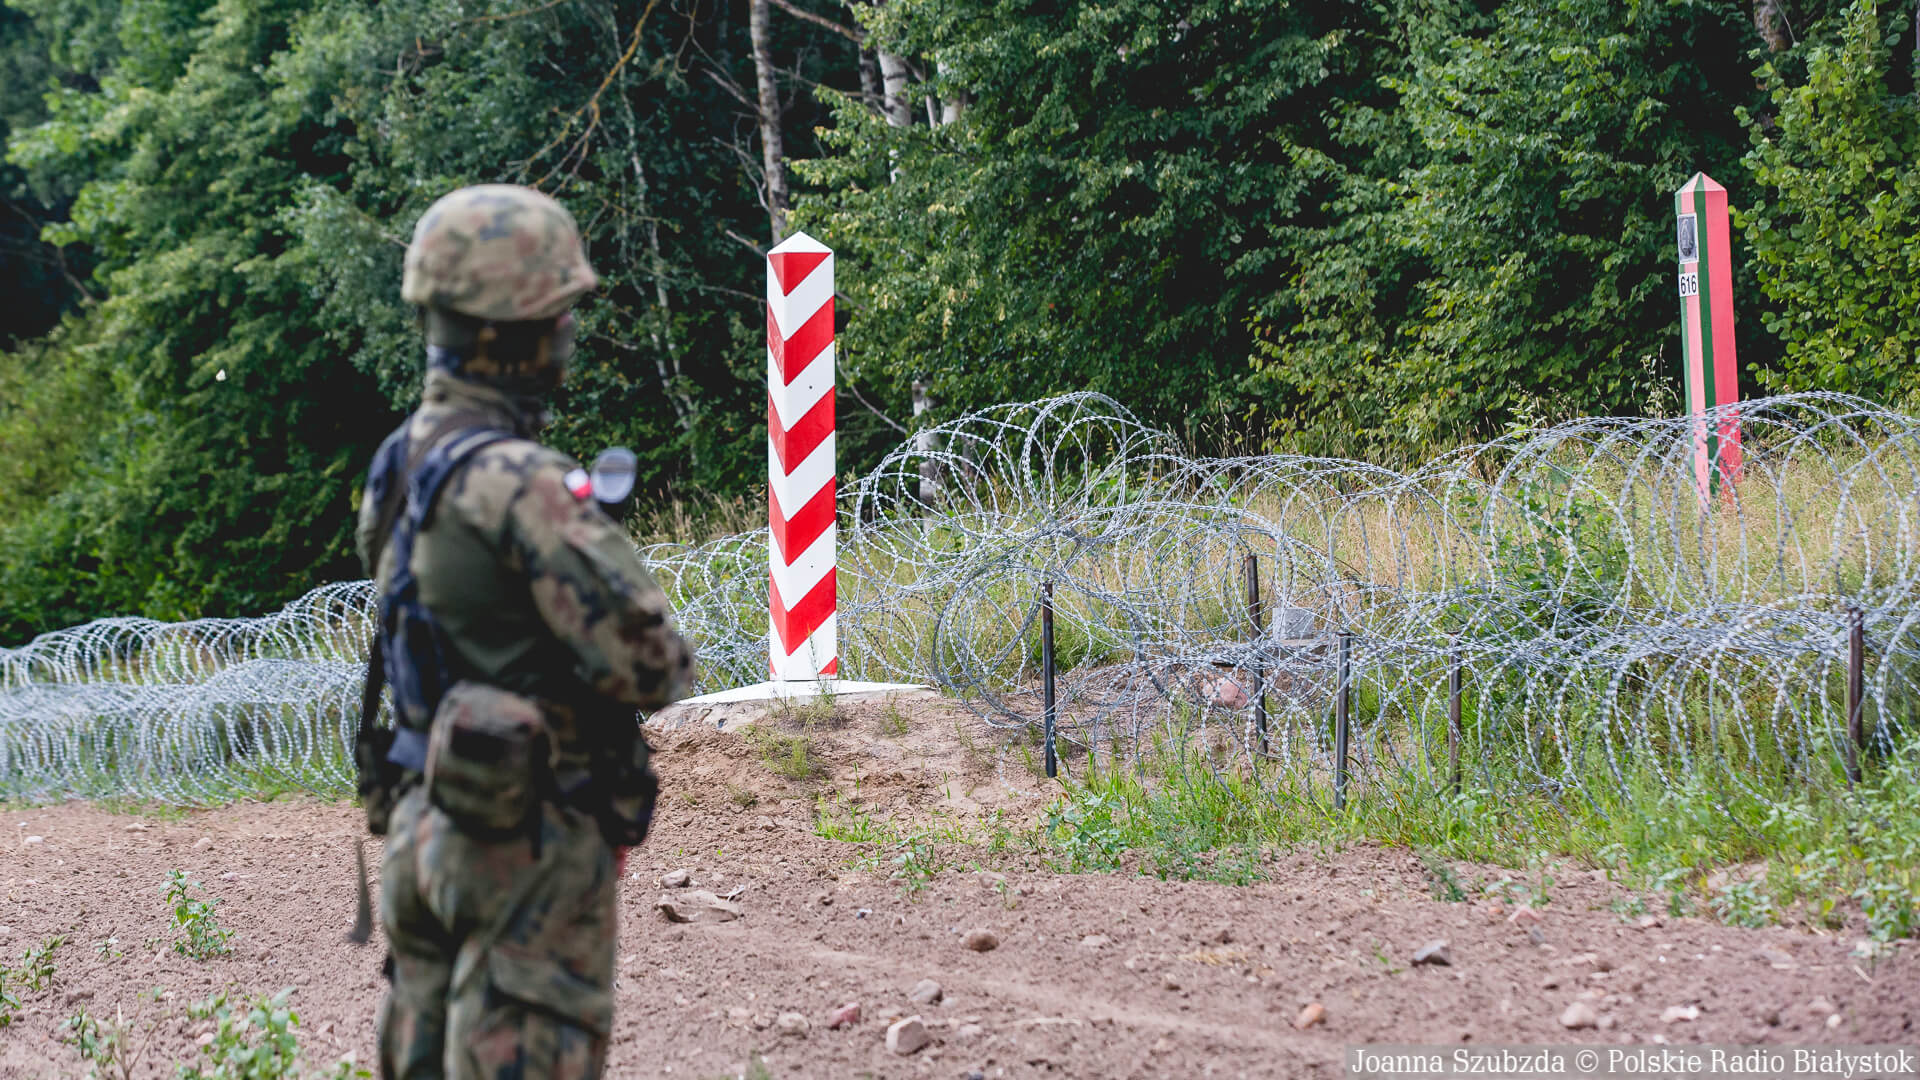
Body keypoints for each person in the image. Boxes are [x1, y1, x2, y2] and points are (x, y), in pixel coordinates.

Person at [356, 184, 693, 1080]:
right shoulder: (519, 482)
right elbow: (652, 662)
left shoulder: (398, 465)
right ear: (511, 334)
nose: (566, 338)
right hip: (523, 842)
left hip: (422, 821)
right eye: (557, 317)